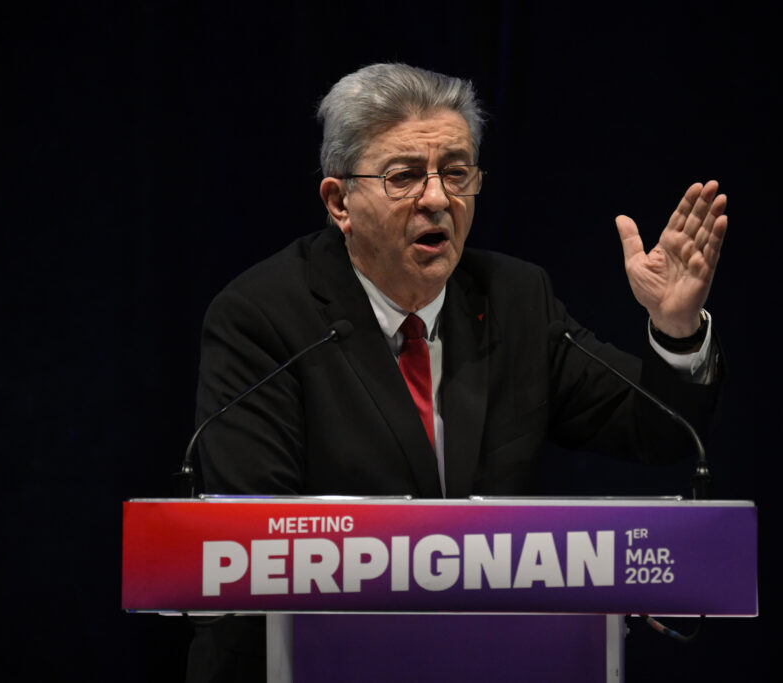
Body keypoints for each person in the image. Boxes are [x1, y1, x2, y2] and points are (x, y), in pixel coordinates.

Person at [187, 63, 727, 682]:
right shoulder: (263, 318)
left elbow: (657, 430)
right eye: (404, 176)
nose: (438, 199)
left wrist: (676, 329)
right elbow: (258, 543)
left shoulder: (516, 300)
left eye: (456, 172)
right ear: (339, 202)